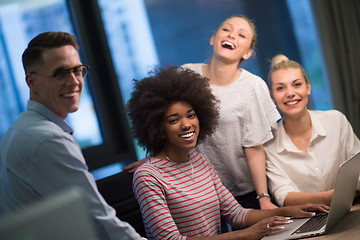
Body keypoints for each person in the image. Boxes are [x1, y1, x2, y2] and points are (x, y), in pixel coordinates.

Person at [127, 66, 329, 240]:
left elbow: (235, 214)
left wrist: (289, 211)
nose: (187, 124)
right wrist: (245, 235)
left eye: (191, 115)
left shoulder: (199, 161)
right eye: (174, 120)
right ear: (156, 128)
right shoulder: (148, 176)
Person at [0, 32, 142, 240]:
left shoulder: (20, 129)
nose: (74, 81)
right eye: (60, 73)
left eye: (77, 70)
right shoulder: (48, 139)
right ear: (32, 82)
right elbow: (99, 220)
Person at [264, 54, 360, 207]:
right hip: (306, 220)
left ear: (308, 87)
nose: (290, 93)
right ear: (272, 96)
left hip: (351, 207)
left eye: (296, 84)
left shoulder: (336, 121)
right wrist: (329, 197)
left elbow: (358, 168)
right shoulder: (269, 144)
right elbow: (284, 196)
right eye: (280, 88)